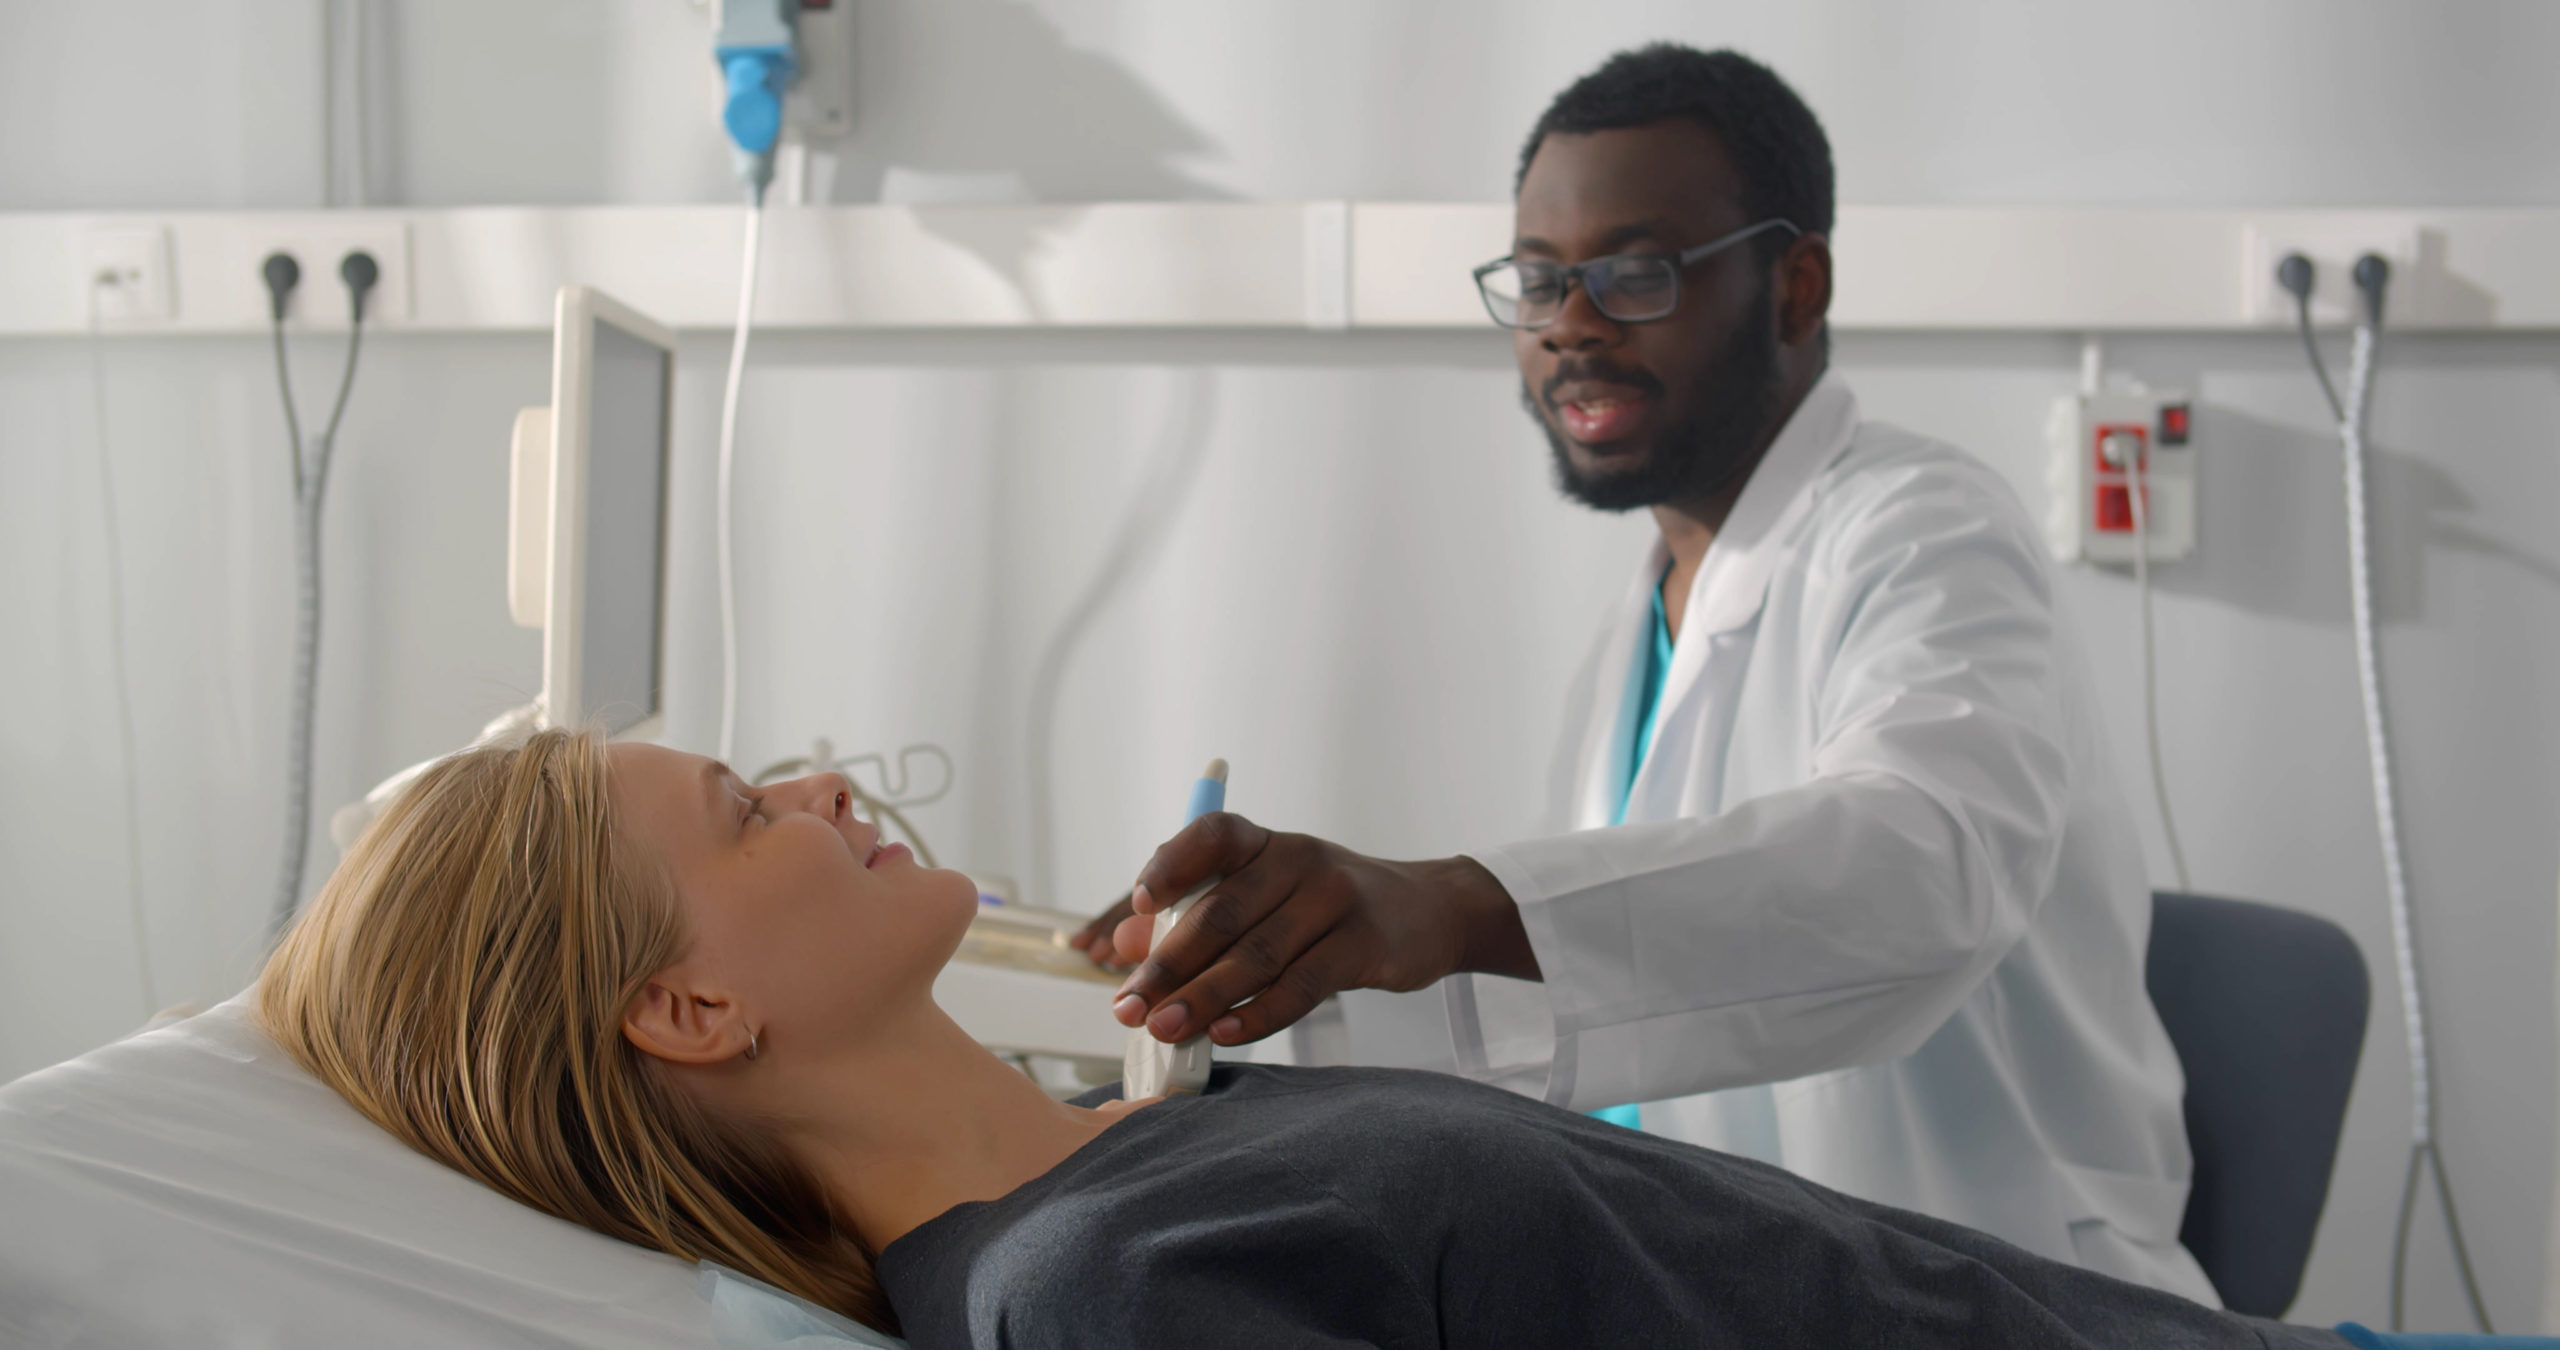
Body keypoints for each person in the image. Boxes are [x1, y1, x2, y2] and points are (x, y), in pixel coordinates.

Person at [1077, 42, 2212, 1300]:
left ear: (1796, 285)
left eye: (1634, 273)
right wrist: (1266, 976)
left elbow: (1917, 871)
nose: (1569, 322)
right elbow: (1600, 1000)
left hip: (1997, 1285)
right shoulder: (1646, 621)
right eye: (1543, 279)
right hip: (1732, 1278)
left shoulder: (1929, 530)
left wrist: (1446, 901)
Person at [257, 727, 2368, 1347]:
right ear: (688, 1007)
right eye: (745, 810)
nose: (820, 789)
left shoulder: (1121, 1163)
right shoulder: (1096, 1291)